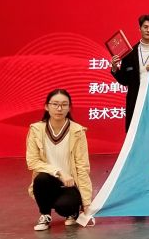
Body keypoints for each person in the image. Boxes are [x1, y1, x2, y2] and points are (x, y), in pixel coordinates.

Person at [26, 89, 92, 231]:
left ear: (69, 107)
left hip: (70, 184)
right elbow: (32, 162)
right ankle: (45, 215)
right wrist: (59, 172)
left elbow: (82, 167)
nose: (59, 108)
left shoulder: (77, 131)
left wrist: (86, 203)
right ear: (46, 106)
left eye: (64, 104)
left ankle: (72, 211)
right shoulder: (36, 129)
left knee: (65, 206)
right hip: (48, 182)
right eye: (55, 104)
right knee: (41, 179)